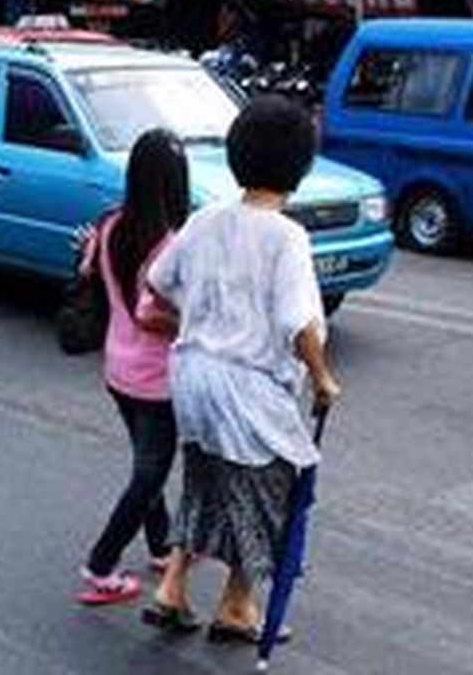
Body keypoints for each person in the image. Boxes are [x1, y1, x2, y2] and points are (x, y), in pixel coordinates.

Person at [143, 97, 341, 642]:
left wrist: (202, 316)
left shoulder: (207, 219)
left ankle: (172, 587)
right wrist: (322, 377)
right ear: (301, 165)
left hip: (193, 374)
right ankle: (237, 606)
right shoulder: (286, 236)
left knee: (206, 480)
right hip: (246, 385)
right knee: (267, 491)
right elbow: (297, 320)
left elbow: (158, 281)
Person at [75, 129, 190, 606]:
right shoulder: (169, 244)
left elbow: (87, 275)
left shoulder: (108, 225)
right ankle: (101, 565)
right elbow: (155, 314)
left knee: (148, 463)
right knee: (149, 473)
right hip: (156, 380)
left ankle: (162, 546)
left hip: (117, 370)